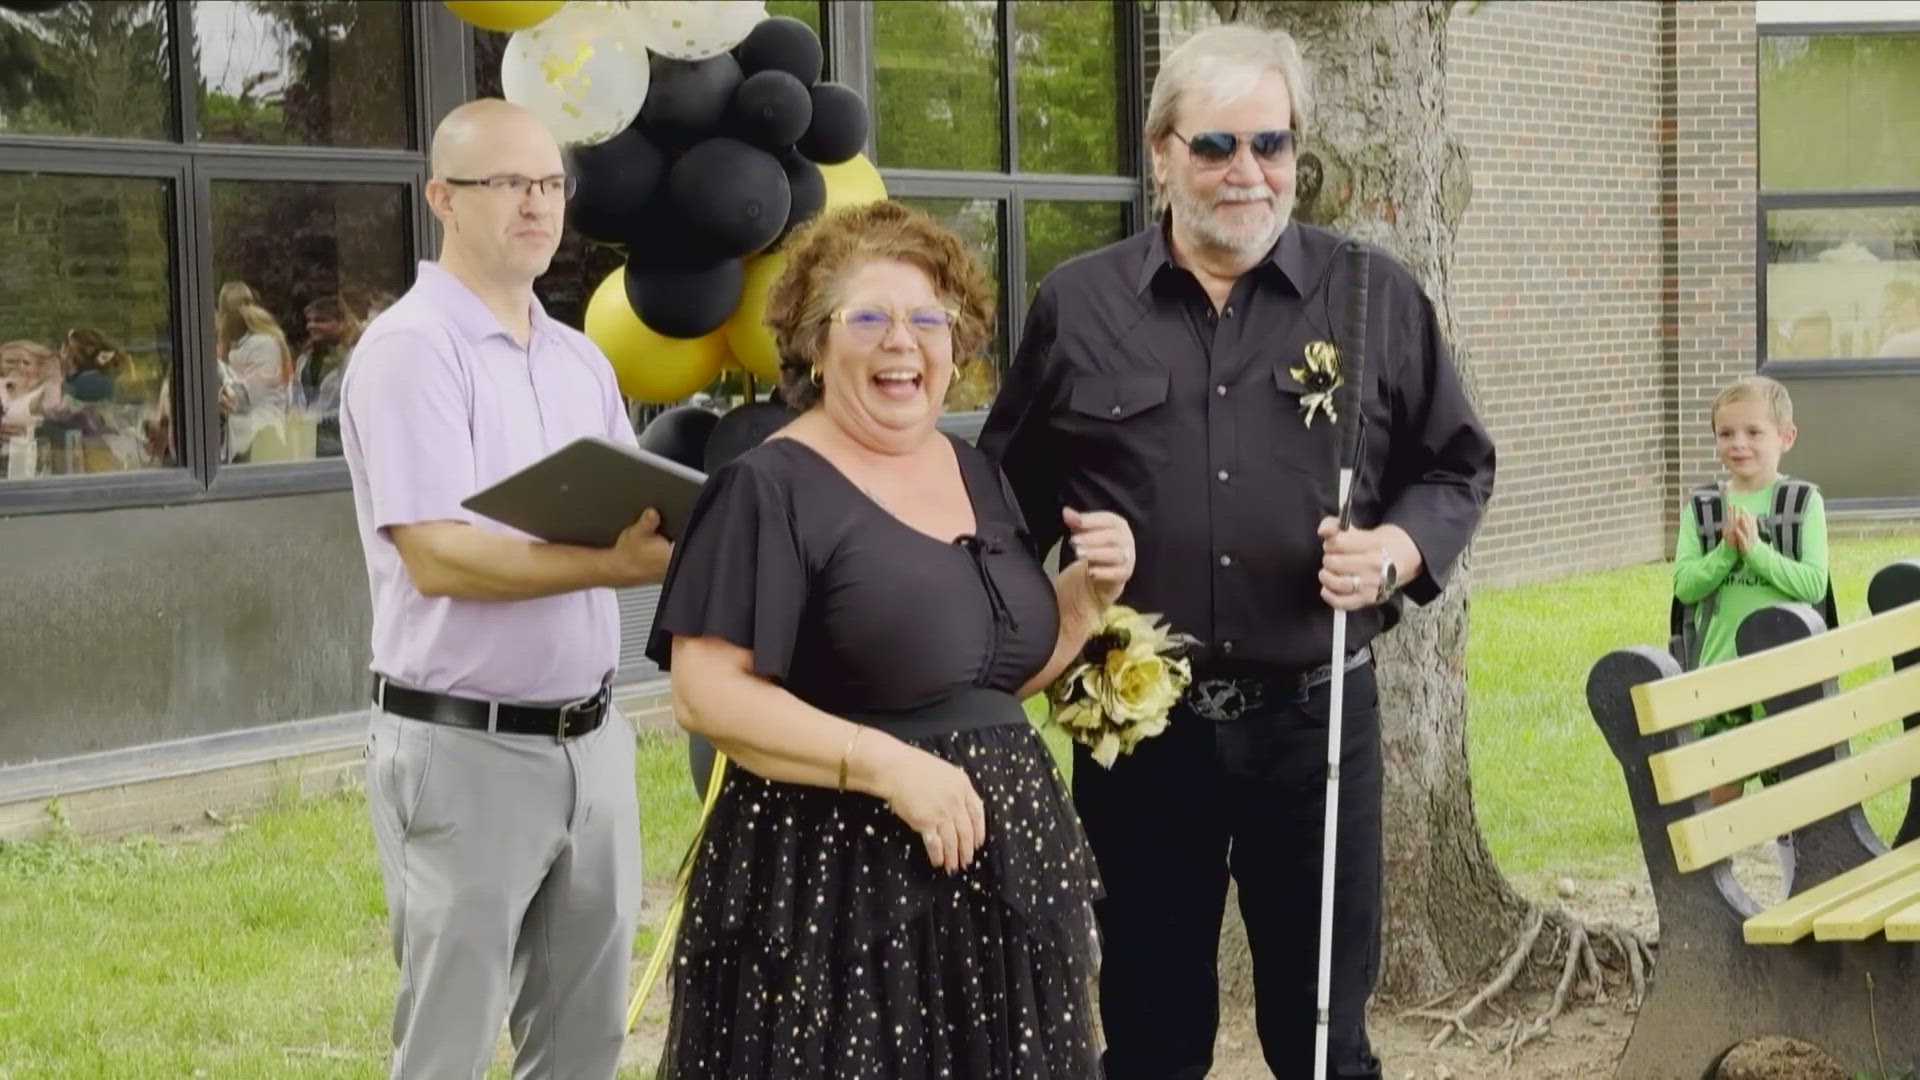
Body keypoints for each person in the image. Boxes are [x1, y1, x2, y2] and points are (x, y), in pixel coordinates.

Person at [978, 24, 1496, 1080]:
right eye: (1216, 146)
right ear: (1162, 154)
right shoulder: (1079, 306)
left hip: (1314, 724)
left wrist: (1395, 552)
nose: (1247, 173)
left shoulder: (1370, 297)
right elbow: (998, 506)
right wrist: (1057, 603)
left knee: (1320, 1038)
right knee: (1151, 1032)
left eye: (1272, 144)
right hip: (1137, 729)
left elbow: (1456, 465)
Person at [644, 199, 1134, 1078]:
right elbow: (706, 694)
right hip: (835, 893)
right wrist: (890, 768)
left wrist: (1085, 601)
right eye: (866, 317)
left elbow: (978, 687)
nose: (899, 341)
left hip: (999, 889)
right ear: (814, 345)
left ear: (957, 346)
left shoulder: (978, 472)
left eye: (926, 320)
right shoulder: (766, 488)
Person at [339, 97, 673, 1080]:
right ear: (443, 197)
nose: (537, 204)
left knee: (584, 1040)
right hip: (464, 748)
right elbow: (439, 555)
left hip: (592, 743)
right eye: (508, 184)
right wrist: (613, 566)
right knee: (449, 1040)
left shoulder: (579, 359)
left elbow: (625, 515)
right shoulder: (411, 351)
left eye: (551, 183)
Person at [1673, 375, 1830, 809]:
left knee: (1788, 792)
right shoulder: (1703, 508)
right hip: (1720, 672)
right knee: (1720, 784)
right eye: (1726, 433)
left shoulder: (1803, 505)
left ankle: (1792, 872)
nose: (1737, 443)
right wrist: (1725, 553)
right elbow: (1686, 586)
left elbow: (1814, 583)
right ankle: (1713, 872)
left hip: (1787, 674)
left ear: (1786, 437)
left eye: (1753, 432)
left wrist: (1757, 552)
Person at [214, 281, 295, 461]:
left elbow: (245, 397)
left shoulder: (263, 345)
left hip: (262, 434)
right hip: (241, 436)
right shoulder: (235, 347)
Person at [293, 294, 364, 457]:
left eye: (320, 320)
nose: (311, 325)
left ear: (342, 323)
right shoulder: (305, 359)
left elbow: (355, 408)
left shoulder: (356, 358)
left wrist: (312, 420)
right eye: (309, 320)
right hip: (308, 446)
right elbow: (296, 398)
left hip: (341, 450)